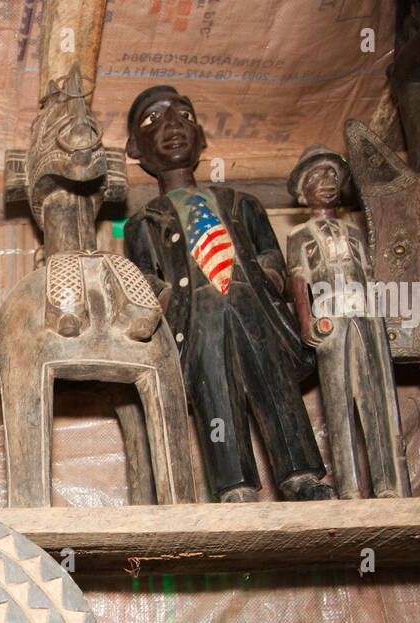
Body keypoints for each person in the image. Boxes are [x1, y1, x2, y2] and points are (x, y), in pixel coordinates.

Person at [124, 86, 334, 502]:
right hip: (194, 315)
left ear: (202, 137)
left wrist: (268, 279)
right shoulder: (142, 222)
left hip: (253, 303)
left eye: (184, 114)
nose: (172, 127)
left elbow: (271, 252)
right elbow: (142, 277)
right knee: (213, 387)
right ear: (135, 148)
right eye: (153, 120)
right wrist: (168, 302)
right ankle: (234, 483)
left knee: (274, 382)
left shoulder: (242, 202)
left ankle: (302, 473)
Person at [287, 145, 409, 498]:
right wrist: (307, 323)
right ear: (301, 192)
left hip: (366, 317)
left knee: (378, 399)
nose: (327, 183)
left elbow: (371, 276)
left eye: (333, 176)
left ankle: (389, 484)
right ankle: (350, 487)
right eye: (317, 177)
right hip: (331, 318)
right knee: (338, 403)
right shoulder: (300, 235)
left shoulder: (355, 232)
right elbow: (299, 281)